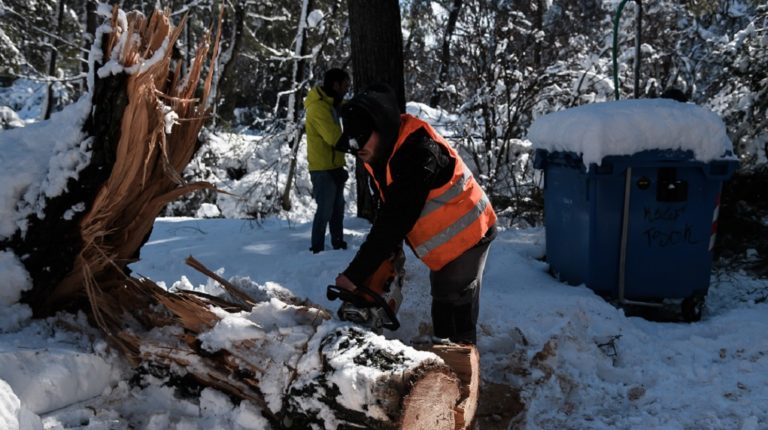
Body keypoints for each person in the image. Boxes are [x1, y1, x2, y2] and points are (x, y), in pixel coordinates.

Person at [333, 84, 497, 344]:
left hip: (469, 231)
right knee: (442, 299)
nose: (356, 148)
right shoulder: (381, 151)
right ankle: (446, 351)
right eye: (352, 142)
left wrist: (354, 274)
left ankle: (463, 367)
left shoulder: (418, 153)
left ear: (380, 127)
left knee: (454, 301)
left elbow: (396, 217)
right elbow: (389, 207)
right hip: (446, 237)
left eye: (360, 138)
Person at [304, 68, 351, 253]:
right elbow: (334, 139)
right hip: (322, 168)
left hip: (335, 165)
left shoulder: (331, 103)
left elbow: (344, 105)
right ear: (335, 84)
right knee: (325, 210)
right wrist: (356, 144)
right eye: (345, 85)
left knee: (338, 208)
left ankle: (338, 244)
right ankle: (317, 249)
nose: (347, 89)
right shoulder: (318, 108)